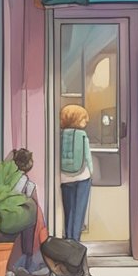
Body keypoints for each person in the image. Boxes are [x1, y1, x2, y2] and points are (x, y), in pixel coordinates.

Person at [6, 148, 51, 276]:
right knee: (33, 222)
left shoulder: (8, 177)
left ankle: (25, 263)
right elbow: (30, 200)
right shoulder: (26, 182)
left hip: (9, 214)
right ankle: (29, 262)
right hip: (19, 218)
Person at [57, 104, 94, 242]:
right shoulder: (82, 135)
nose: (86, 122)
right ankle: (75, 241)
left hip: (65, 177)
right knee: (79, 211)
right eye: (84, 119)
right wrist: (92, 171)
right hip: (82, 176)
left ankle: (68, 238)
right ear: (76, 119)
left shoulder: (59, 134)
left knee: (69, 210)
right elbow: (87, 156)